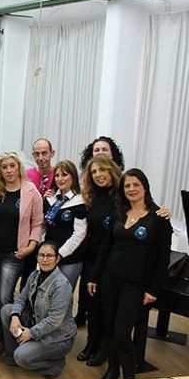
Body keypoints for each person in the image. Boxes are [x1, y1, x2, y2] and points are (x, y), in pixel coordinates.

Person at [88, 169, 172, 379]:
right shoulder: (119, 213)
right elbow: (105, 249)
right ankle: (112, 371)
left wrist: (154, 289)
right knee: (109, 328)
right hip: (110, 279)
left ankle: (129, 378)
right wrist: (94, 277)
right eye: (127, 186)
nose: (132, 189)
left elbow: (163, 259)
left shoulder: (159, 219)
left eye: (136, 185)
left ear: (145, 187)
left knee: (122, 333)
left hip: (134, 285)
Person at [0, 152, 43, 355]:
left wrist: (30, 247)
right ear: (0, 170)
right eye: (4, 167)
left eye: (12, 166)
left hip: (14, 254)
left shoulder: (31, 191)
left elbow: (37, 223)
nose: (9, 170)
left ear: (18, 167)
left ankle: (7, 336)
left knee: (5, 296)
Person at [1, 241, 77, 379]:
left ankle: (55, 364)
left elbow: (55, 320)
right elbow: (21, 298)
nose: (45, 259)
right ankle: (14, 357)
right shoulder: (34, 275)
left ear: (57, 259)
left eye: (49, 256)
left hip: (58, 338)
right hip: (37, 325)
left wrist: (31, 333)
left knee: (22, 357)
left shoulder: (61, 285)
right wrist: (15, 316)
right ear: (37, 257)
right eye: (41, 255)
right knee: (7, 310)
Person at [75, 156, 123, 366]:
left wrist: (163, 211)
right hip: (91, 258)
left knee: (106, 307)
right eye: (94, 172)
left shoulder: (121, 197)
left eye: (102, 170)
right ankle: (91, 344)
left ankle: (103, 349)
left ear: (112, 170)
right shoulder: (92, 196)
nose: (98, 175)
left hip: (111, 261)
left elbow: (147, 208)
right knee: (91, 306)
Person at [43, 160, 88, 292]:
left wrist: (60, 254)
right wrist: (45, 249)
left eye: (65, 175)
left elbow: (79, 234)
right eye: (57, 176)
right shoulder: (50, 199)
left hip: (70, 259)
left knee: (63, 297)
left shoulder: (80, 201)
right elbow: (42, 225)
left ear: (73, 177)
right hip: (48, 256)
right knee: (46, 295)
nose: (60, 179)